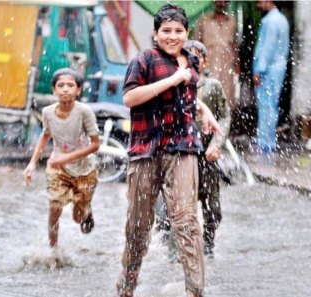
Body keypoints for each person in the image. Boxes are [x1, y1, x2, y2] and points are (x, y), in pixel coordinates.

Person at [116, 4, 222, 297]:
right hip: (146, 148)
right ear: (155, 33)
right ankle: (126, 288)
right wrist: (173, 79)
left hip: (183, 148)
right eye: (166, 31)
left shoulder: (191, 61)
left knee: (186, 221)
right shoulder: (144, 59)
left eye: (178, 31)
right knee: (138, 226)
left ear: (187, 33)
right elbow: (130, 98)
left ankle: (195, 291)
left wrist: (206, 111)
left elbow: (188, 96)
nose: (172, 36)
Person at [156, 40, 231, 260]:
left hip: (206, 153)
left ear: (205, 61)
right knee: (176, 206)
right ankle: (172, 252)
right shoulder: (171, 83)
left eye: (198, 56)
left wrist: (217, 144)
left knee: (212, 207)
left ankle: (207, 247)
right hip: (179, 152)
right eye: (188, 56)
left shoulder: (212, 86)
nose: (192, 60)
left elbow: (224, 116)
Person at [23, 68, 100, 248]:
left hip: (85, 171)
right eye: (61, 85)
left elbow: (96, 144)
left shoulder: (84, 112)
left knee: (77, 217)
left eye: (70, 85)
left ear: (78, 90)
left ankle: (85, 211)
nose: (65, 89)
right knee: (55, 206)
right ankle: (53, 248)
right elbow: (45, 135)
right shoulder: (48, 112)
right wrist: (32, 163)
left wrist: (65, 158)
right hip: (59, 169)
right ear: (54, 90)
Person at [252, 0, 289, 154]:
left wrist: (259, 70)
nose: (259, 5)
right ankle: (268, 139)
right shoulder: (282, 20)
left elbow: (267, 47)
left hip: (269, 69)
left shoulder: (270, 22)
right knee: (271, 104)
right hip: (278, 67)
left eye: (260, 2)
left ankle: (265, 142)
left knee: (266, 105)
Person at [193, 0, 240, 109]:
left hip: (227, 67)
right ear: (214, 2)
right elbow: (196, 45)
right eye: (219, 1)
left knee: (227, 99)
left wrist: (237, 64)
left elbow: (234, 45)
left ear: (227, 3)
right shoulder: (204, 20)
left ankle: (224, 125)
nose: (221, 4)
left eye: (224, 1)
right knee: (207, 98)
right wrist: (197, 66)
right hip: (208, 66)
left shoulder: (232, 21)